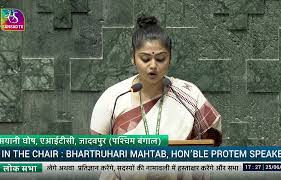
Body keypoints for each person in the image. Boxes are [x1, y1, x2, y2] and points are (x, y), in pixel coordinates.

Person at [90, 15, 222, 180]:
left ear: (170, 59)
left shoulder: (189, 95)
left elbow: (212, 140)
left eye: (160, 59)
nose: (153, 65)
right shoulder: (113, 98)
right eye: (145, 59)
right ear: (133, 58)